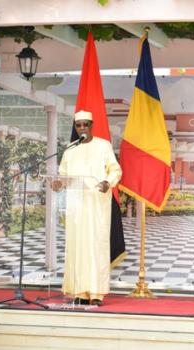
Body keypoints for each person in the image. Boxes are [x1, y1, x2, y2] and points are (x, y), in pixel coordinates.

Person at [57, 110, 122, 306]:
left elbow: (116, 169)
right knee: (77, 246)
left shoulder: (103, 145)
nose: (82, 128)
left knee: (95, 246)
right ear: (75, 128)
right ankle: (80, 291)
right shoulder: (70, 149)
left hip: (97, 204)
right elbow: (63, 174)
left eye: (86, 124)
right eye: (79, 125)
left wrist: (107, 182)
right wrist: (58, 183)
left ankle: (96, 292)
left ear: (91, 125)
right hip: (76, 205)